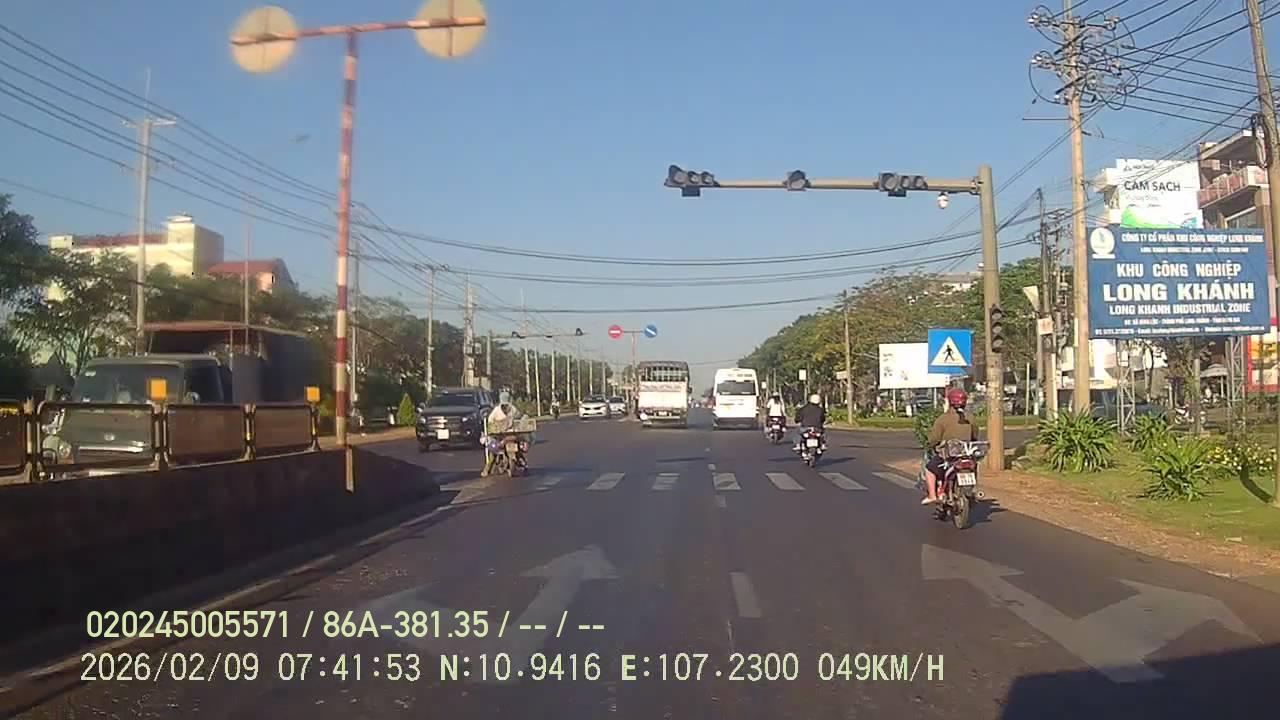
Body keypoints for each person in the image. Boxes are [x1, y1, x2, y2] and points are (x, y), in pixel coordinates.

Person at [921, 387, 978, 505]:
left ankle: (932, 496)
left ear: (950, 401)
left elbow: (934, 439)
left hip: (948, 455)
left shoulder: (943, 419)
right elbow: (975, 435)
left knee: (929, 469)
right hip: (966, 454)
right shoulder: (971, 418)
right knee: (974, 466)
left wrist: (931, 444)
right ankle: (971, 491)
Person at [481, 391, 523, 477]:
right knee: (493, 453)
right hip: (500, 436)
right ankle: (487, 469)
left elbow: (519, 417)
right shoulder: (498, 410)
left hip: (510, 435)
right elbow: (490, 421)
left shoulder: (512, 409)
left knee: (518, 450)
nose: (506, 407)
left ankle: (487, 470)